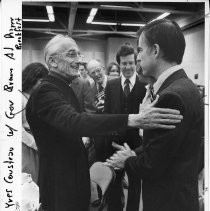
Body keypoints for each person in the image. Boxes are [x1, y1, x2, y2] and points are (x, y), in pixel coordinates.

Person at [26, 34, 183, 211]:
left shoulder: (62, 88)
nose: (79, 61)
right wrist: (133, 119)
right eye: (72, 54)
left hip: (73, 179)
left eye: (79, 55)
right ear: (53, 61)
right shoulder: (46, 91)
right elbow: (75, 121)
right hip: (61, 185)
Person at [106, 19, 204, 211]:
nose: (138, 58)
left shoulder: (171, 96)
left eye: (140, 50)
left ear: (156, 51)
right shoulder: (184, 86)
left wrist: (127, 159)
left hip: (168, 200)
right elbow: (166, 147)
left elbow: (153, 165)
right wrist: (136, 153)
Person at [104, 43, 146, 211]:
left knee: (135, 185)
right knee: (114, 184)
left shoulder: (145, 85)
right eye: (124, 63)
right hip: (115, 144)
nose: (127, 67)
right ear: (119, 64)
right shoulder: (111, 85)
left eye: (131, 63)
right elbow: (107, 114)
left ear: (136, 63)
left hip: (138, 146)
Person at [22, 62, 49, 184]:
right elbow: (19, 130)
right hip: (26, 146)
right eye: (41, 82)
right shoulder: (19, 98)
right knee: (29, 181)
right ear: (32, 79)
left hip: (34, 144)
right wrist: (36, 144)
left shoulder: (33, 97)